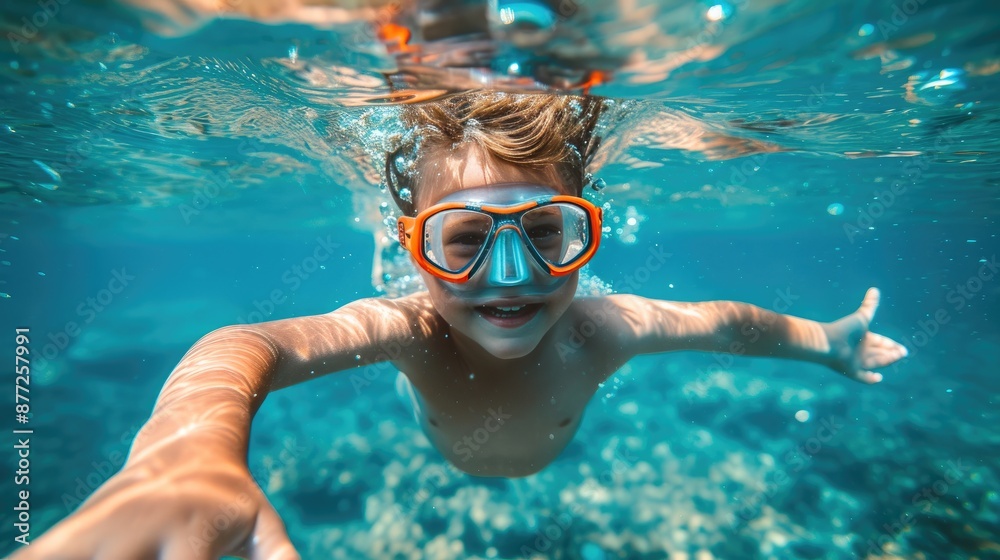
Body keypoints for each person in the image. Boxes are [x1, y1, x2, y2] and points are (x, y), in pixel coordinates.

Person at [14, 91, 908, 559]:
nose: (510, 278)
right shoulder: (411, 328)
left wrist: (826, 344)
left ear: (585, 232)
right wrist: (186, 455)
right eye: (464, 240)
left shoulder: (601, 330)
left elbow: (727, 324)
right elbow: (244, 346)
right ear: (417, 248)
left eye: (548, 233)